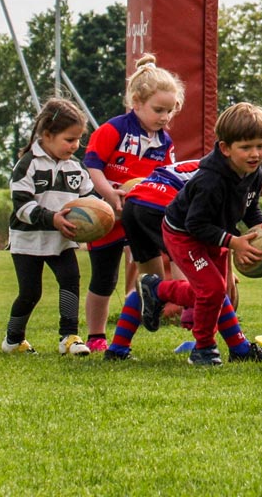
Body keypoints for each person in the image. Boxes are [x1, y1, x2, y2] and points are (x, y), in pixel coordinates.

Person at [103, 144, 262, 361]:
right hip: (163, 206)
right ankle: (240, 349)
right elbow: (204, 225)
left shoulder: (222, 168)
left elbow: (249, 211)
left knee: (152, 283)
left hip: (137, 203)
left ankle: (117, 349)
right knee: (209, 285)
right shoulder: (222, 182)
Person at [136, 102, 262, 366]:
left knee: (215, 291)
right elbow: (196, 225)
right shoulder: (210, 181)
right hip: (184, 234)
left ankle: (158, 291)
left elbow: (250, 209)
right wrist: (234, 242)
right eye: (246, 147)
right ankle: (203, 349)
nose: (255, 154)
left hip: (213, 232)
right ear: (225, 148)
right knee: (213, 288)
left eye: (260, 145)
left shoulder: (255, 173)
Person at [81, 54, 182, 353]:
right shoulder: (114, 129)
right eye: (158, 110)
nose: (165, 117)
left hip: (143, 215)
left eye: (170, 111)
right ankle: (96, 337)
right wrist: (110, 197)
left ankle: (176, 312)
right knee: (104, 276)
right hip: (108, 214)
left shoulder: (165, 141)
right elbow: (93, 165)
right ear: (136, 103)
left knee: (159, 271)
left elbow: (166, 178)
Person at [3, 99, 95, 357]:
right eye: (69, 139)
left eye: (78, 139)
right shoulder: (28, 164)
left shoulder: (75, 167)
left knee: (70, 282)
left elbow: (90, 199)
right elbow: (22, 206)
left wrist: (108, 211)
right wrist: (52, 218)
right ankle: (13, 339)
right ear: (47, 135)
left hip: (62, 240)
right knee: (30, 292)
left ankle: (69, 337)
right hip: (28, 240)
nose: (75, 145)